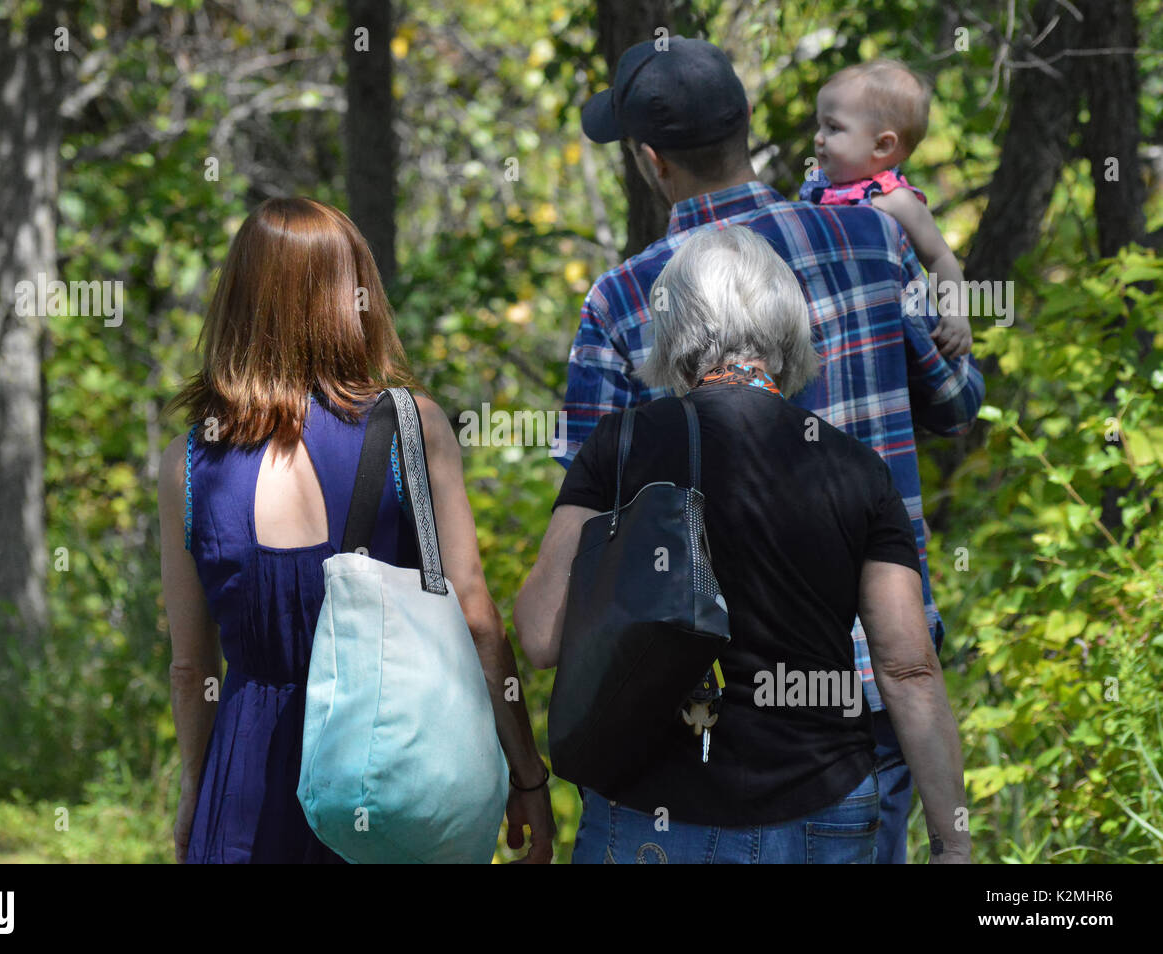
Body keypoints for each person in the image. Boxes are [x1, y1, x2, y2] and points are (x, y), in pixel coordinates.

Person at [560, 36, 985, 862]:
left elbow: (586, 527)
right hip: (878, 687)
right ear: (746, 129)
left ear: (653, 164)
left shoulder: (621, 300)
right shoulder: (871, 240)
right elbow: (957, 404)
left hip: (699, 709)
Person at [518, 225, 970, 864]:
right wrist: (951, 842)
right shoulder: (856, 468)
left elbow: (539, 635)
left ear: (672, 329)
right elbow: (908, 669)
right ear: (789, 330)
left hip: (649, 816)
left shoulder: (619, 447)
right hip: (821, 811)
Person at [158, 197, 554, 863]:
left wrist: (196, 790)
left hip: (244, 795)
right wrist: (526, 774)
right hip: (384, 777)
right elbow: (477, 617)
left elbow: (191, 666)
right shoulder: (412, 428)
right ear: (353, 297)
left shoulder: (191, 463)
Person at [802, 58, 971, 359]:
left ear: (882, 146)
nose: (818, 137)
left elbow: (939, 257)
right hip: (821, 326)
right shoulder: (816, 188)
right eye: (820, 124)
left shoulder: (895, 199)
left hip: (880, 331)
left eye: (833, 127)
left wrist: (955, 313)